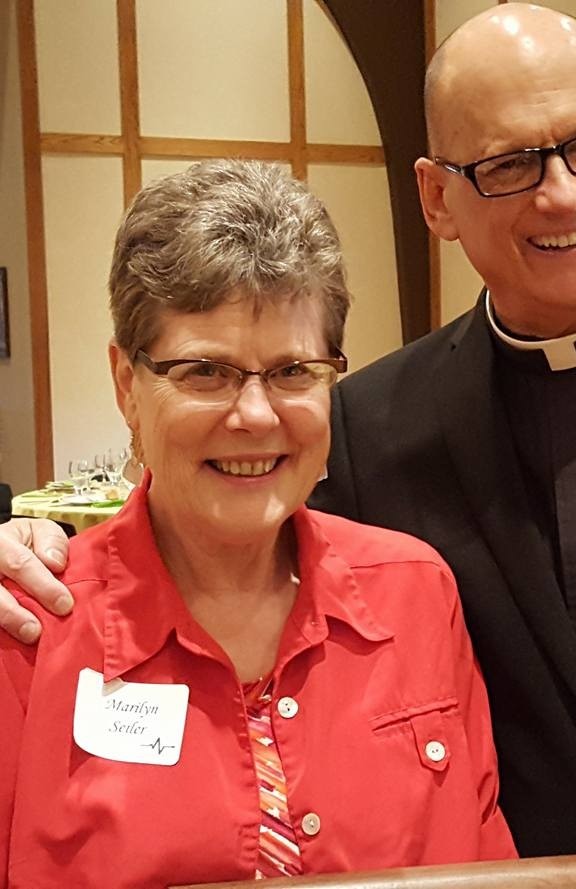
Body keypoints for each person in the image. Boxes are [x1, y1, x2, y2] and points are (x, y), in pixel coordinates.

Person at [1, 5, 576, 887]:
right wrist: (36, 554)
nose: (560, 192)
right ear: (434, 196)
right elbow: (239, 568)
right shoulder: (374, 424)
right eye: (508, 164)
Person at [0, 160, 515, 889]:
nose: (255, 415)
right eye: (205, 372)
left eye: (292, 371)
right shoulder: (28, 634)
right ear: (127, 385)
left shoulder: (416, 596)